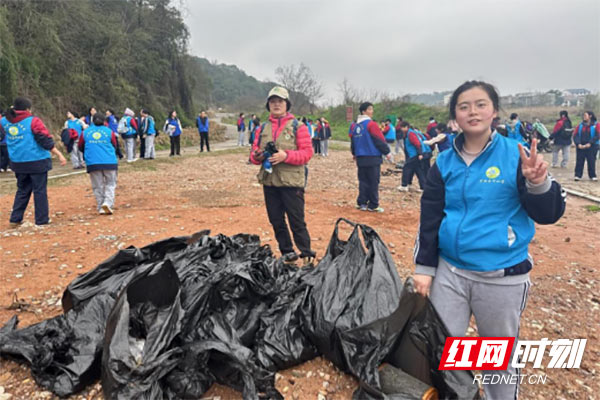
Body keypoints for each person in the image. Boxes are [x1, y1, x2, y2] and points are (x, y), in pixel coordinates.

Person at [413, 80, 565, 400]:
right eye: (464, 106)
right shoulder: (444, 161)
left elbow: (549, 213)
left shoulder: (515, 155)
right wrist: (424, 267)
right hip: (450, 273)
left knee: (497, 360)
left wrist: (538, 183)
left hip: (501, 276)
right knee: (445, 350)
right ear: (454, 115)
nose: (473, 111)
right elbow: (430, 218)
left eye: (481, 104)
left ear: (494, 111)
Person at [249, 86, 315, 265]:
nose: (276, 105)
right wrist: (257, 156)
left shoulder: (298, 127)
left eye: (280, 101)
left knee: (296, 221)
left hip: (292, 182)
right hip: (270, 182)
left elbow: (307, 153)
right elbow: (253, 154)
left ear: (287, 105)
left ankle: (306, 255)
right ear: (268, 105)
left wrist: (286, 155)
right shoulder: (262, 128)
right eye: (273, 102)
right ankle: (288, 254)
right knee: (276, 220)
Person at [0, 97, 67, 226]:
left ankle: (15, 219)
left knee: (22, 190)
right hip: (37, 161)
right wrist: (59, 154)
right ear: (27, 109)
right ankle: (41, 220)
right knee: (39, 191)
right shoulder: (33, 121)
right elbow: (45, 140)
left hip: (17, 161)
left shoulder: (4, 121)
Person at [349, 102, 393, 212]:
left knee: (363, 180)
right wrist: (387, 152)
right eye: (369, 109)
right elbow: (378, 139)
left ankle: (362, 203)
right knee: (373, 181)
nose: (372, 111)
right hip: (372, 156)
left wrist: (354, 153)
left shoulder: (356, 126)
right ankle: (373, 204)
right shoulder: (371, 124)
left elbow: (353, 141)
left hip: (361, 157)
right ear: (364, 111)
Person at [78, 113, 118, 214]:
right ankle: (108, 203)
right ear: (104, 121)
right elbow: (114, 144)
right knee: (110, 183)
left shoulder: (85, 132)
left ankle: (101, 205)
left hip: (93, 162)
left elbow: (80, 146)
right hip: (109, 161)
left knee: (97, 185)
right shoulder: (109, 131)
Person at [397, 122, 427, 192]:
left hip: (414, 155)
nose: (401, 129)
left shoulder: (411, 134)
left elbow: (417, 143)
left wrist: (420, 153)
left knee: (406, 168)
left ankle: (404, 185)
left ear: (406, 127)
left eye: (402, 127)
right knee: (418, 171)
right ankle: (423, 187)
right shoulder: (408, 133)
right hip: (414, 155)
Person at [573, 111, 598, 181]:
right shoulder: (580, 125)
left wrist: (590, 143)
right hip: (581, 146)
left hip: (592, 146)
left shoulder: (596, 125)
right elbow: (575, 135)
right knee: (579, 161)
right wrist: (578, 144)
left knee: (591, 161)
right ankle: (577, 175)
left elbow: (597, 135)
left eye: (585, 115)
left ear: (590, 116)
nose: (584, 116)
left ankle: (592, 175)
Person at [0, 108, 9, 172]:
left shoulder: (4, 121)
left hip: (5, 141)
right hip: (3, 142)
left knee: (6, 155)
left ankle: (4, 166)